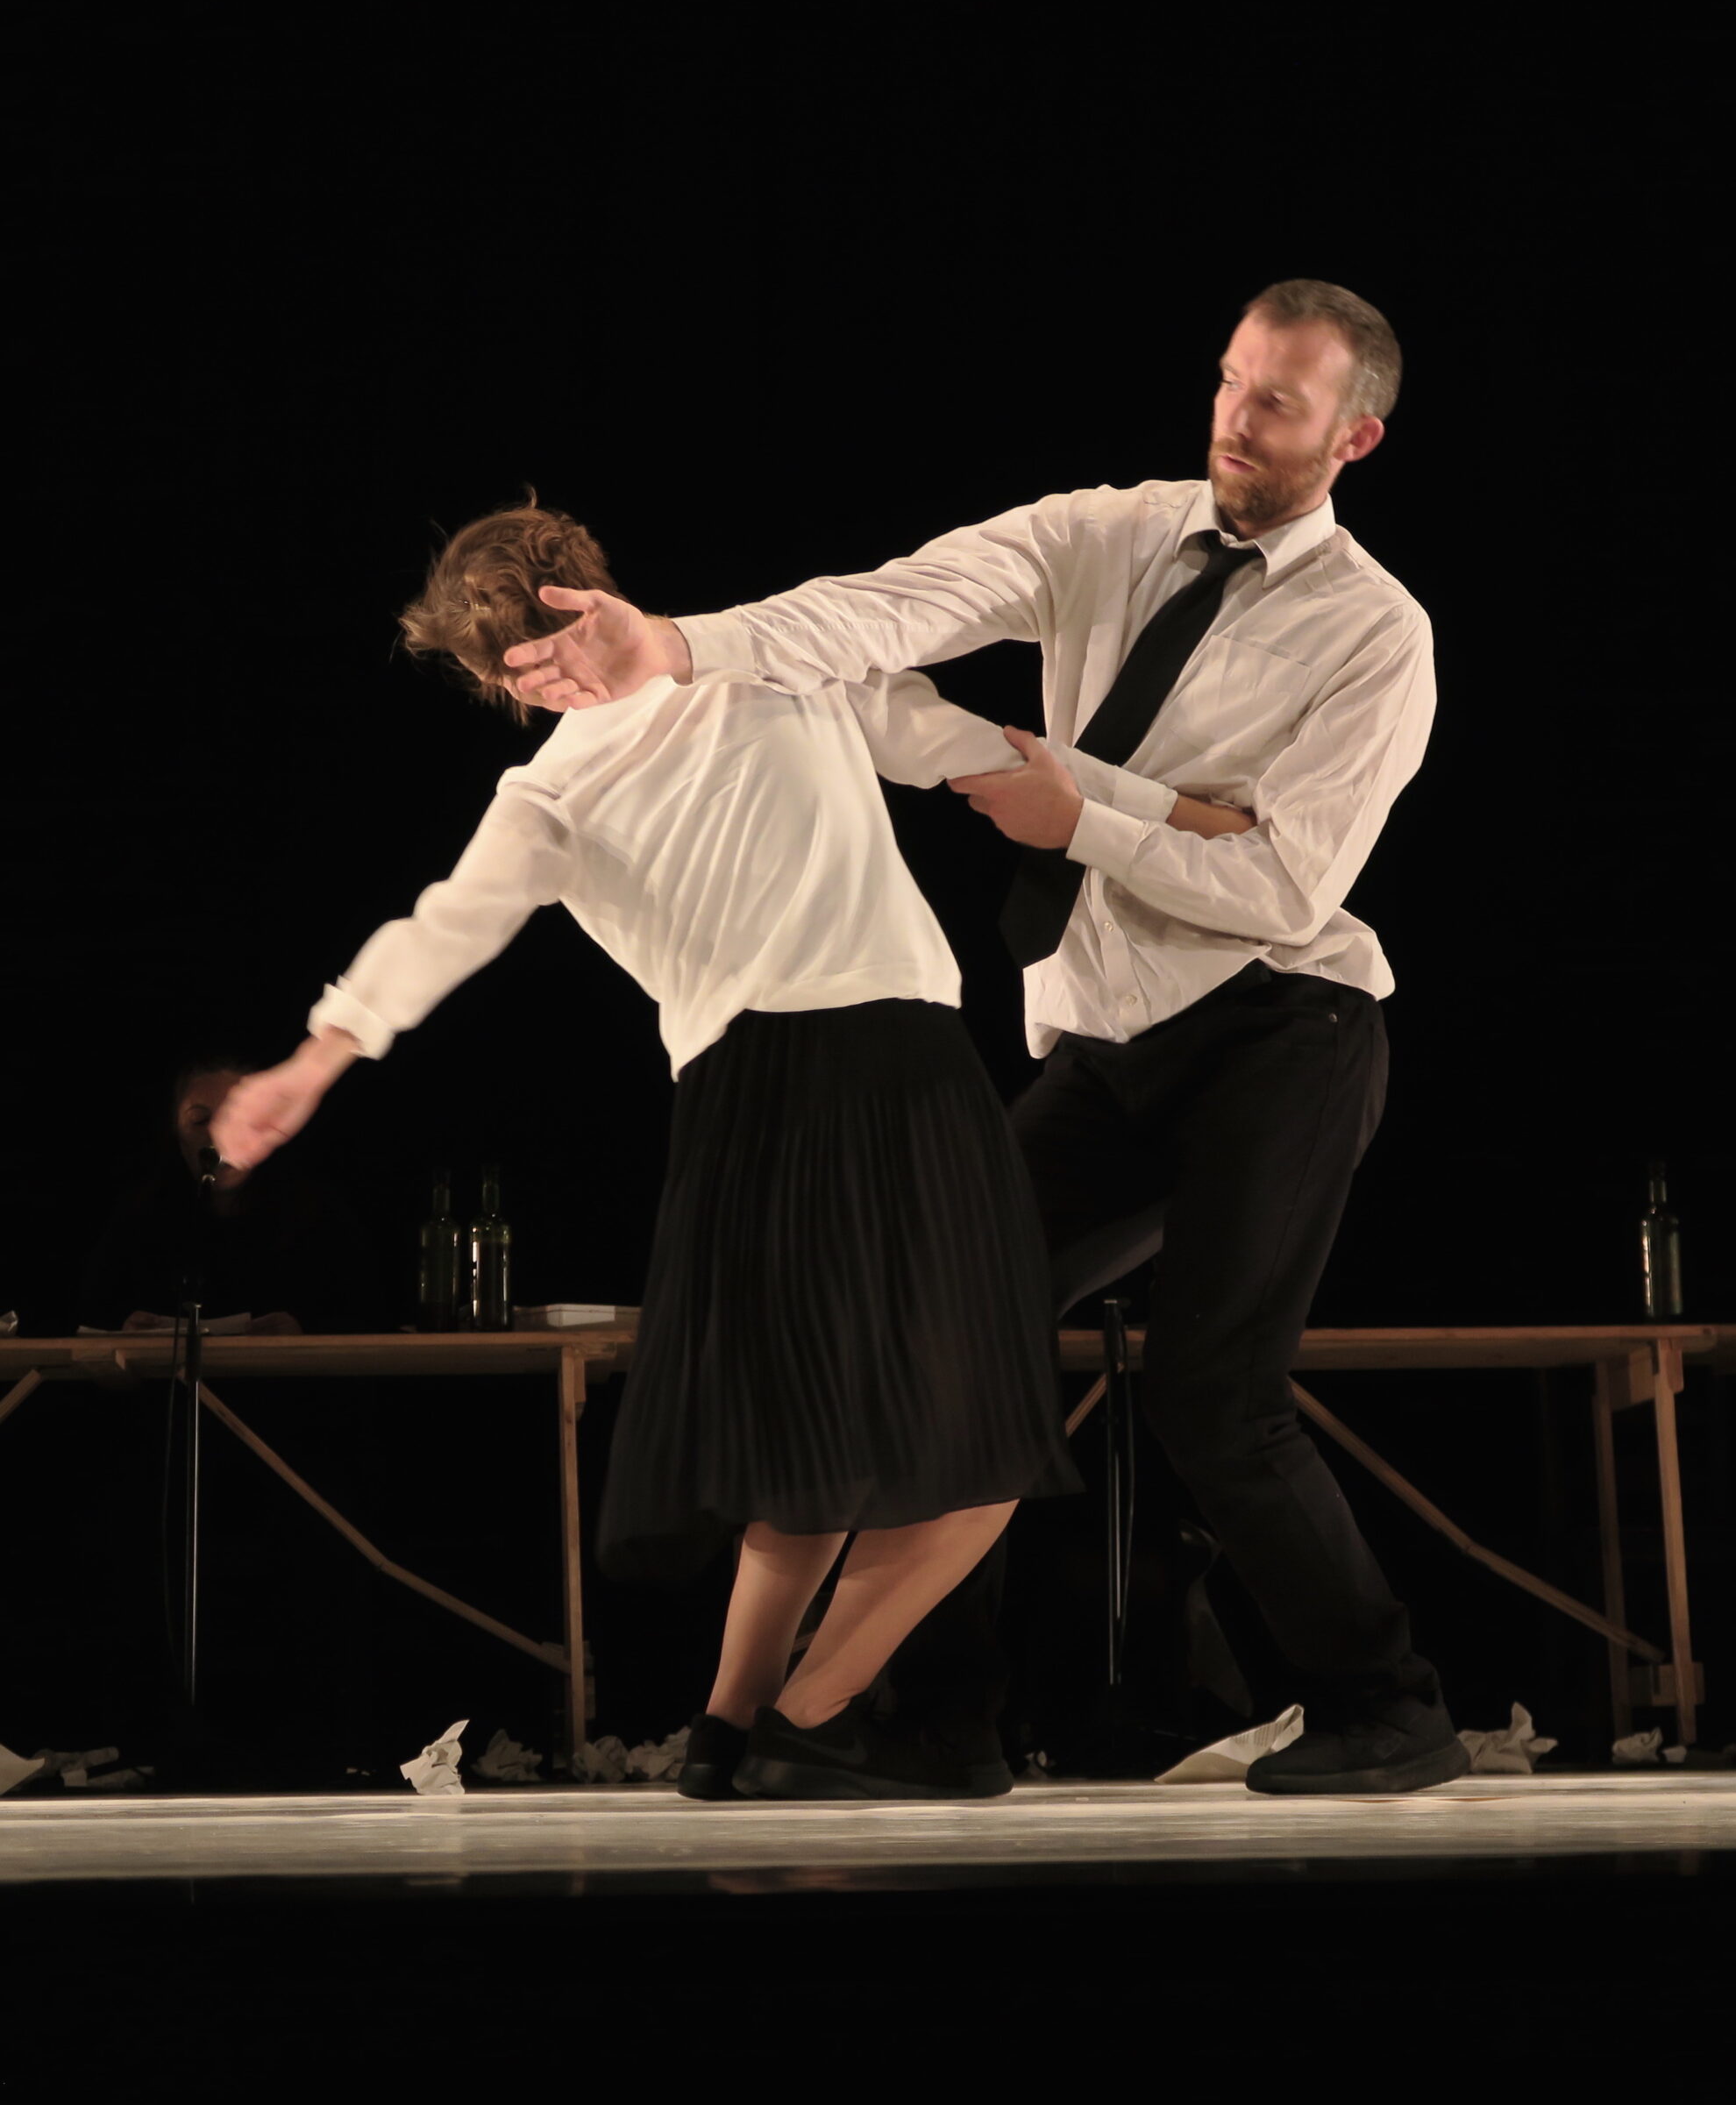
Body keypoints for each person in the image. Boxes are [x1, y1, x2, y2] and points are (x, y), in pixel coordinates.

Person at [503, 280, 1465, 1796]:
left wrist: (1078, 811)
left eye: (1276, 399)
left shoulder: (1376, 633)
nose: (1232, 414)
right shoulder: (1110, 530)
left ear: (1356, 434)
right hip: (1104, 1036)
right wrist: (671, 645)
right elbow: (886, 604)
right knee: (938, 1353)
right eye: (1227, 379)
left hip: (1287, 1025)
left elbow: (1285, 881)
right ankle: (939, 1718)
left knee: (1215, 1390)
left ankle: (1387, 1699)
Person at [210, 500, 1098, 1802]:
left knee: (812, 1448)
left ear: (504, 664)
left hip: (748, 1099)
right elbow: (993, 766)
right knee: (993, 1441)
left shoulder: (603, 754)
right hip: (884, 1067)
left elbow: (440, 928)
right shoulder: (712, 701)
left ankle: (726, 1731)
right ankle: (802, 1712)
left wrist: (313, 1058)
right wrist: (1158, 819)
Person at [82, 1055, 381, 1335]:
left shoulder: (317, 1213)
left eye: (236, 1116)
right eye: (199, 1120)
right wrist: (123, 1333)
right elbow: (90, 1321)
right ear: (176, 1130)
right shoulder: (140, 1215)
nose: (216, 1135)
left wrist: (304, 1333)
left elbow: (369, 1320)